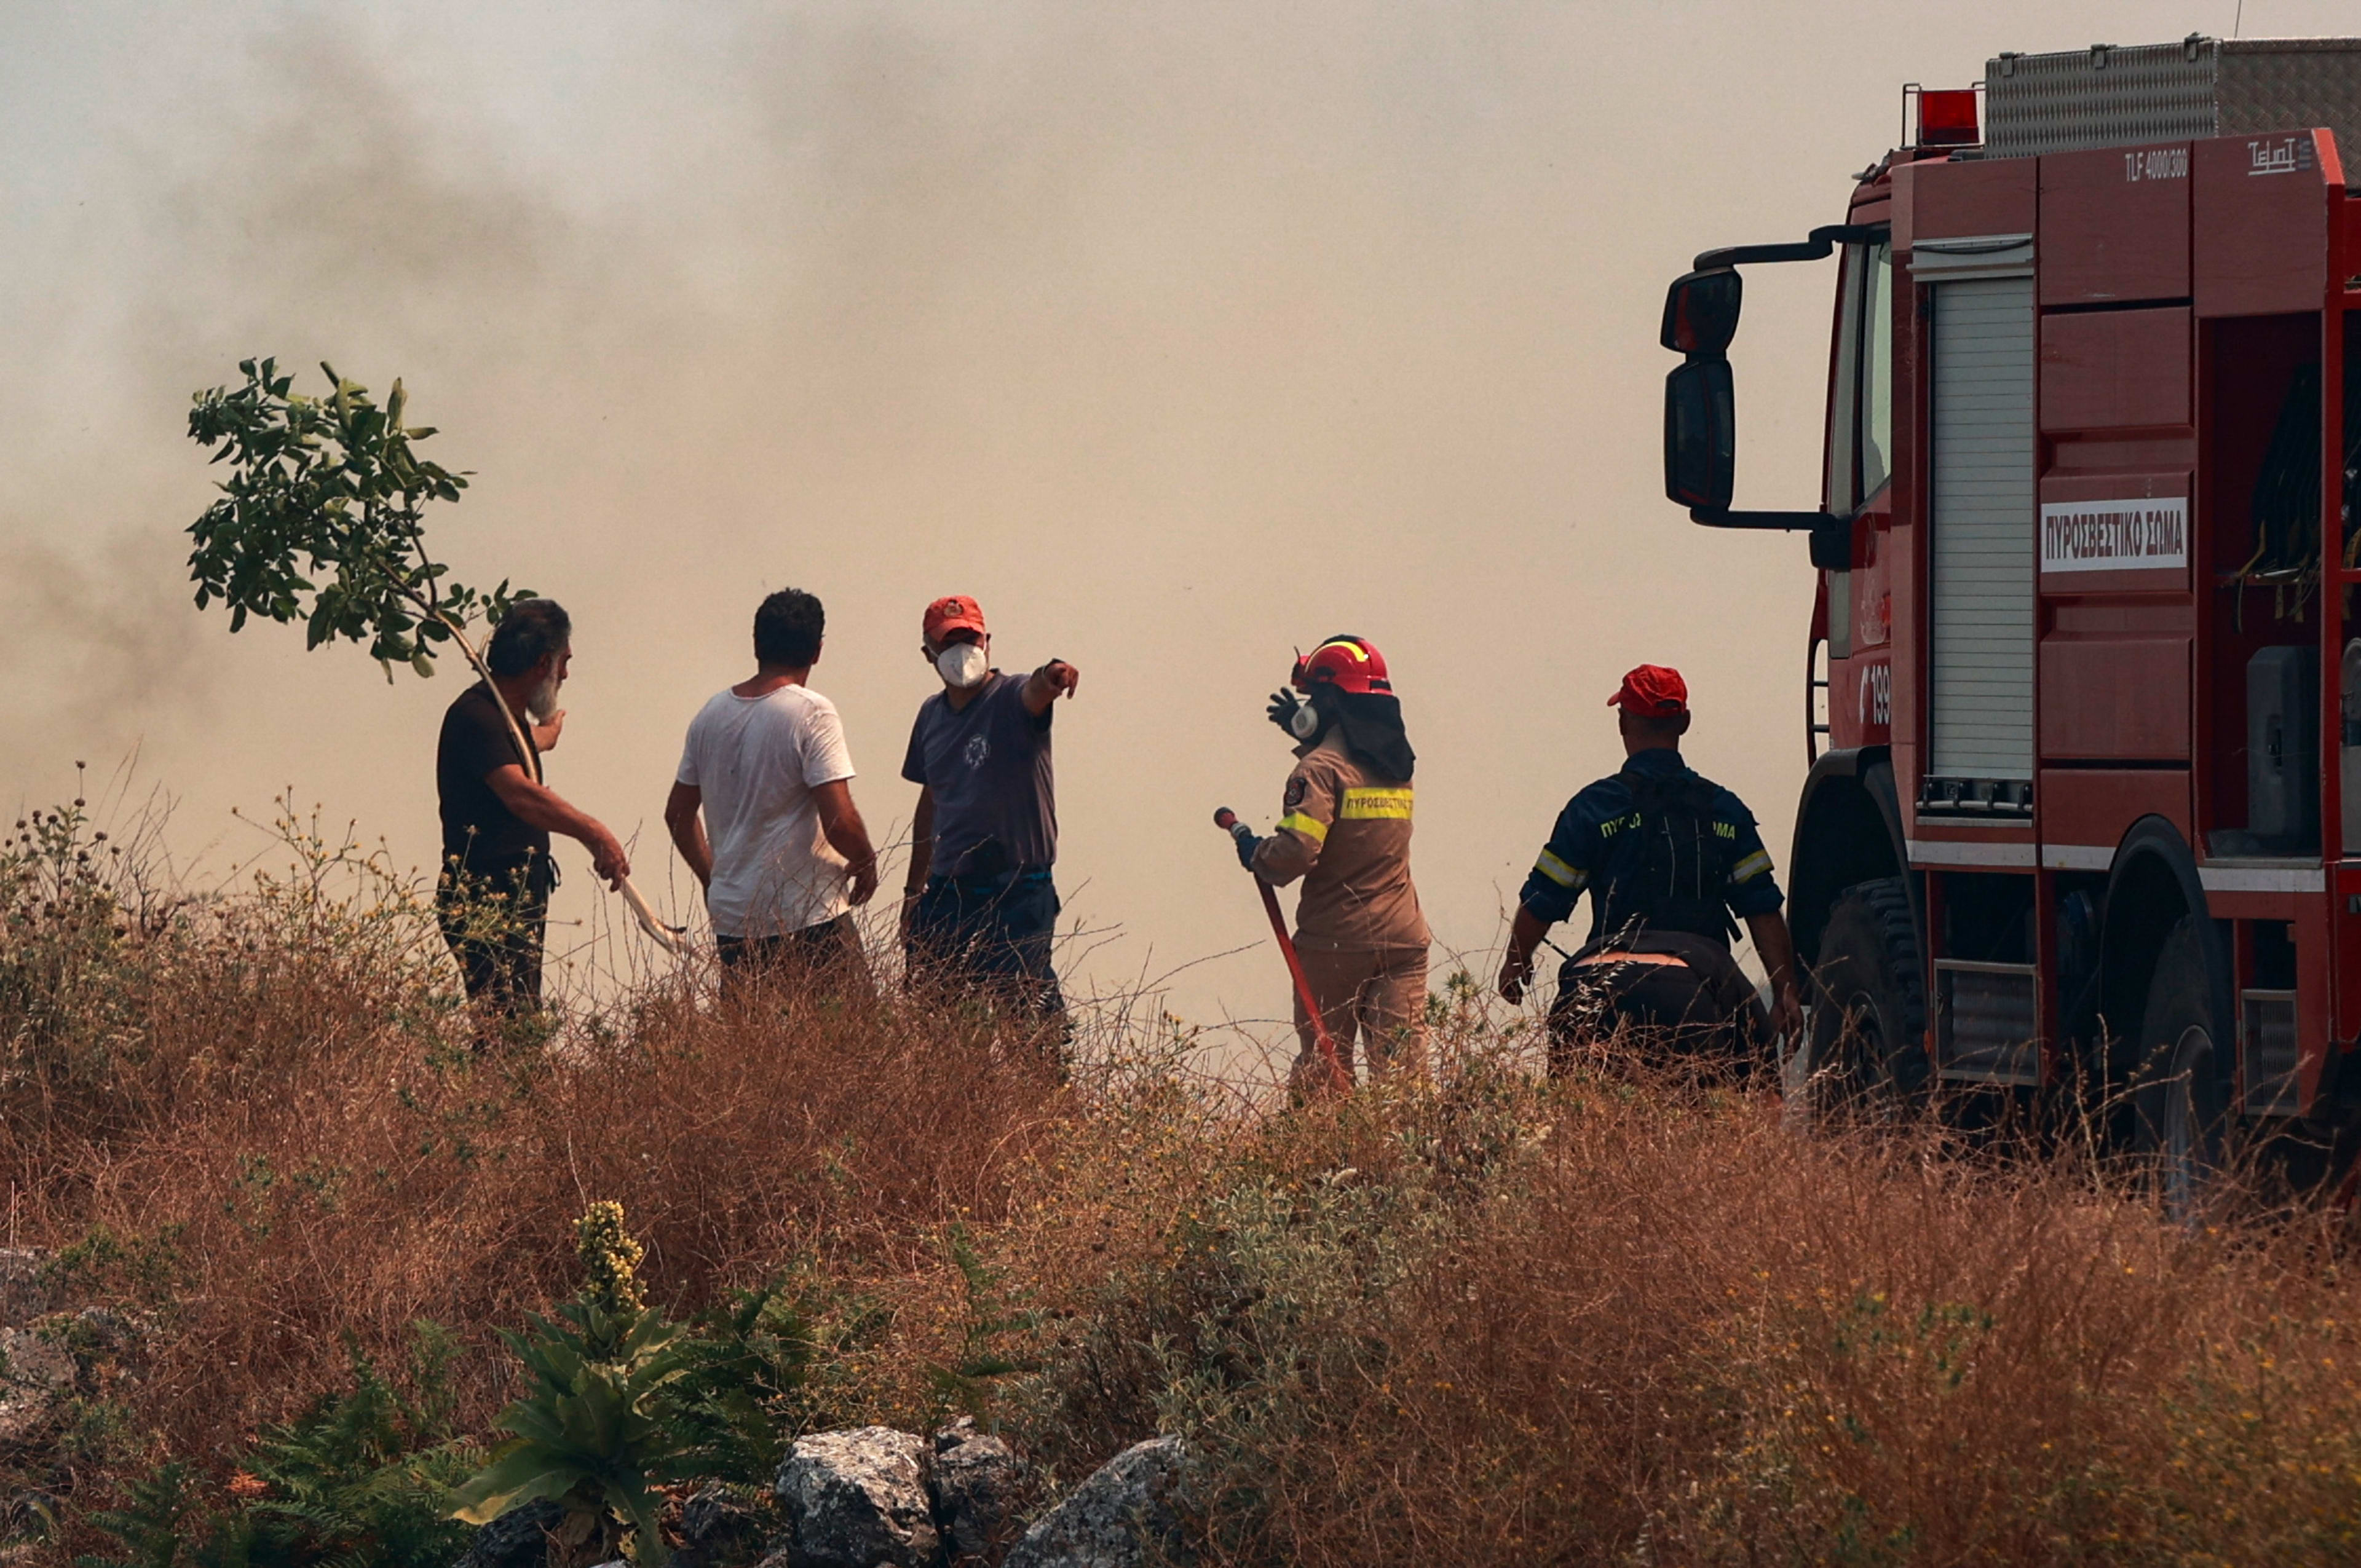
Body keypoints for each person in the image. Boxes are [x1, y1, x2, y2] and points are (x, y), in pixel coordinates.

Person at [1496, 663, 1803, 1074]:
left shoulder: (1593, 807)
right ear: (1685, 722)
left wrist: (1517, 962)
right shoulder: (1725, 808)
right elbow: (1762, 908)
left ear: (1623, 722)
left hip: (1599, 986)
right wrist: (1785, 991)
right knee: (1760, 1086)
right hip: (1701, 988)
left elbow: (1543, 899)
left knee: (1581, 1126)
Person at [1233, 635, 1430, 1093]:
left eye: (1312, 699)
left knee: (1325, 1074)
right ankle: (1409, 1163)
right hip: (1403, 939)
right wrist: (1309, 734)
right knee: (1403, 1081)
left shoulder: (1318, 771)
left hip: (1335, 941)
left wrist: (1258, 854)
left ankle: (1325, 1163)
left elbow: (1297, 851)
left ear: (1328, 702)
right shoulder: (1398, 767)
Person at [665, 588, 880, 998]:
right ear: (817, 651)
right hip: (809, 917)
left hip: (736, 921)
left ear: (756, 644)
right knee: (851, 1046)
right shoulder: (811, 711)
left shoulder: (710, 715)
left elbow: (677, 814)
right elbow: (838, 821)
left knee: (751, 1053)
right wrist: (866, 860)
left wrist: (715, 877)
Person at [435, 598, 630, 1024]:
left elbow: (523, 743)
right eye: (563, 663)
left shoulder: (504, 718)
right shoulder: (476, 715)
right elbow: (520, 794)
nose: (565, 676)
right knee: (509, 1024)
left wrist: (549, 734)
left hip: (514, 893)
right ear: (543, 663)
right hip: (486, 895)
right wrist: (594, 832)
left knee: (515, 1017)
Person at [898, 594, 1079, 1030]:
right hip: (952, 891)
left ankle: (1045, 1091)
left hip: (1018, 887)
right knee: (943, 1017)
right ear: (929, 653)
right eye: (949, 643)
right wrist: (913, 892)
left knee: (1025, 1017)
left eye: (971, 639)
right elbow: (930, 801)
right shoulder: (930, 716)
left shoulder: (1011, 698)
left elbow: (1037, 690)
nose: (962, 653)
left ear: (987, 642)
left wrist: (1054, 674)